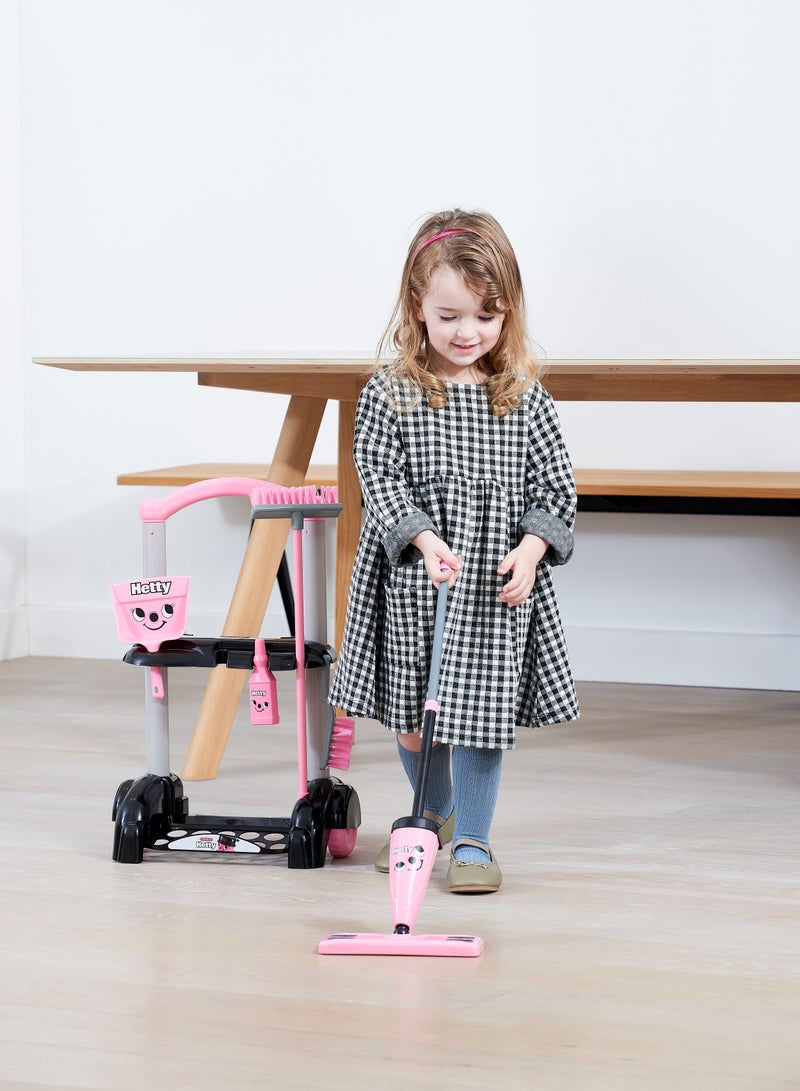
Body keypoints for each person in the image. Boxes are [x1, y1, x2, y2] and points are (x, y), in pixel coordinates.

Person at [329, 208, 578, 894]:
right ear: (418, 305)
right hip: (415, 581)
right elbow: (376, 473)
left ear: (508, 314)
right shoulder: (392, 392)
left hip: (494, 592)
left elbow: (555, 488)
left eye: (487, 316)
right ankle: (429, 812)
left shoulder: (524, 400)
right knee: (414, 719)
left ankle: (473, 834)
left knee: (479, 718)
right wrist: (423, 537)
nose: (468, 332)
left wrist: (530, 551)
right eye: (450, 316)